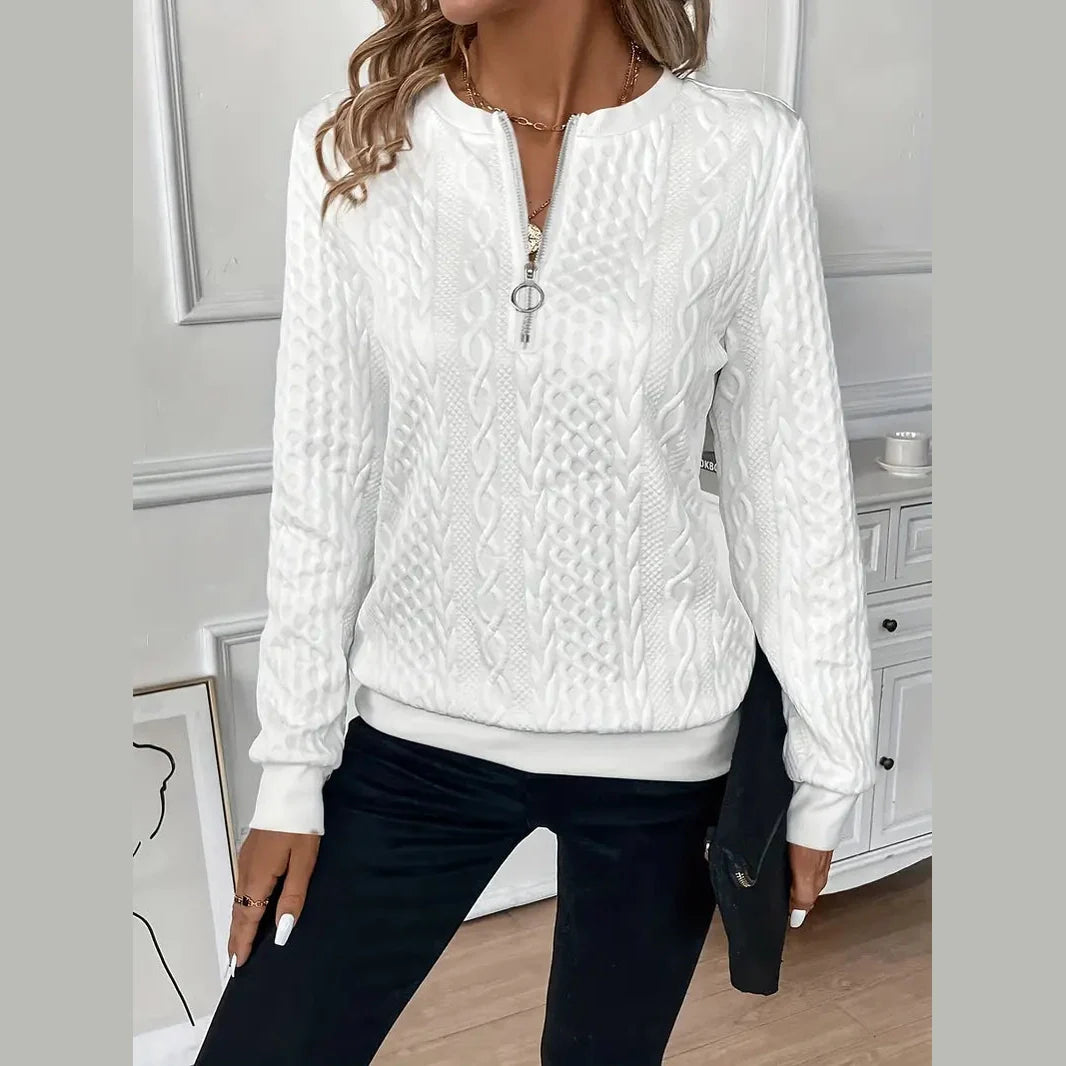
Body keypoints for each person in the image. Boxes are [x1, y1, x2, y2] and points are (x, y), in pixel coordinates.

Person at [193, 2, 877, 1063]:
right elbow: (322, 479)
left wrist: (828, 766)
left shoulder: (743, 155)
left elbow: (787, 481)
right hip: (417, 735)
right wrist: (291, 767)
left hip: (660, 753)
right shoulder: (353, 148)